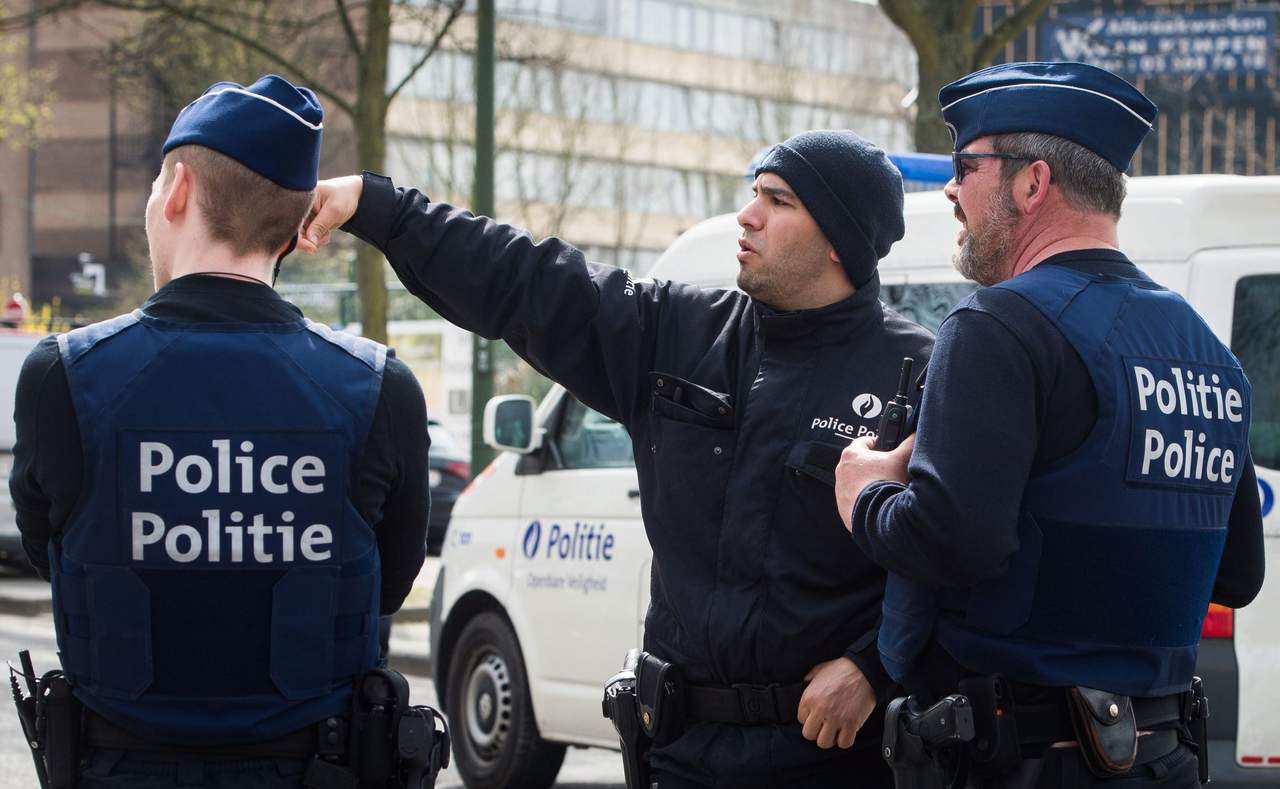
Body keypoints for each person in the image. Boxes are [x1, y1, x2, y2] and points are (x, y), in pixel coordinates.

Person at [300, 130, 934, 788]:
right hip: (679, 752)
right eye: (755, 195)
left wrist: (871, 667)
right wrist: (374, 205)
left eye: (779, 201)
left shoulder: (921, 375)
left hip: (832, 755)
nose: (748, 215)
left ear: (839, 239)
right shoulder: (677, 333)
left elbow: (959, 558)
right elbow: (522, 278)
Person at [835, 62, 1266, 787]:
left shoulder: (998, 324)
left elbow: (951, 542)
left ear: (1032, 184)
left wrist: (865, 495)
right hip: (1162, 758)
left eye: (966, 168)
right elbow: (1238, 574)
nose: (950, 191)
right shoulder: (1208, 353)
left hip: (1021, 758)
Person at [9, 75, 433, 787]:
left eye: (155, 188)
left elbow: (47, 552)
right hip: (319, 766)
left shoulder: (64, 376)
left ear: (176, 191)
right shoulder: (379, 387)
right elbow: (386, 586)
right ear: (296, 230)